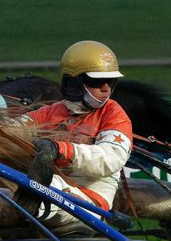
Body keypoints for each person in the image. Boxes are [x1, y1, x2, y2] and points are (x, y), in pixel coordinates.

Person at [16, 40, 133, 228]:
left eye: (110, 81)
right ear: (73, 83)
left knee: (44, 184)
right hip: (50, 188)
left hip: (90, 201)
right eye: (97, 81)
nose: (106, 88)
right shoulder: (52, 111)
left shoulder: (114, 114)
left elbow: (111, 158)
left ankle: (22, 208)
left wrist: (61, 150)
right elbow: (12, 128)